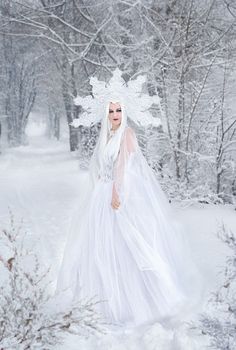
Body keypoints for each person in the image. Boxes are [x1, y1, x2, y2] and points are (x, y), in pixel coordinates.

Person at [55, 98, 205, 333]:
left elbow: (122, 166)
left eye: (119, 110)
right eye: (112, 110)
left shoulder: (127, 134)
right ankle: (102, 304)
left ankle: (137, 304)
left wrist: (116, 193)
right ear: (106, 114)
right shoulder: (106, 135)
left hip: (119, 193)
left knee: (126, 245)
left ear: (125, 112)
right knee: (100, 248)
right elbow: (98, 166)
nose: (115, 114)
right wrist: (97, 193)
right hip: (101, 196)